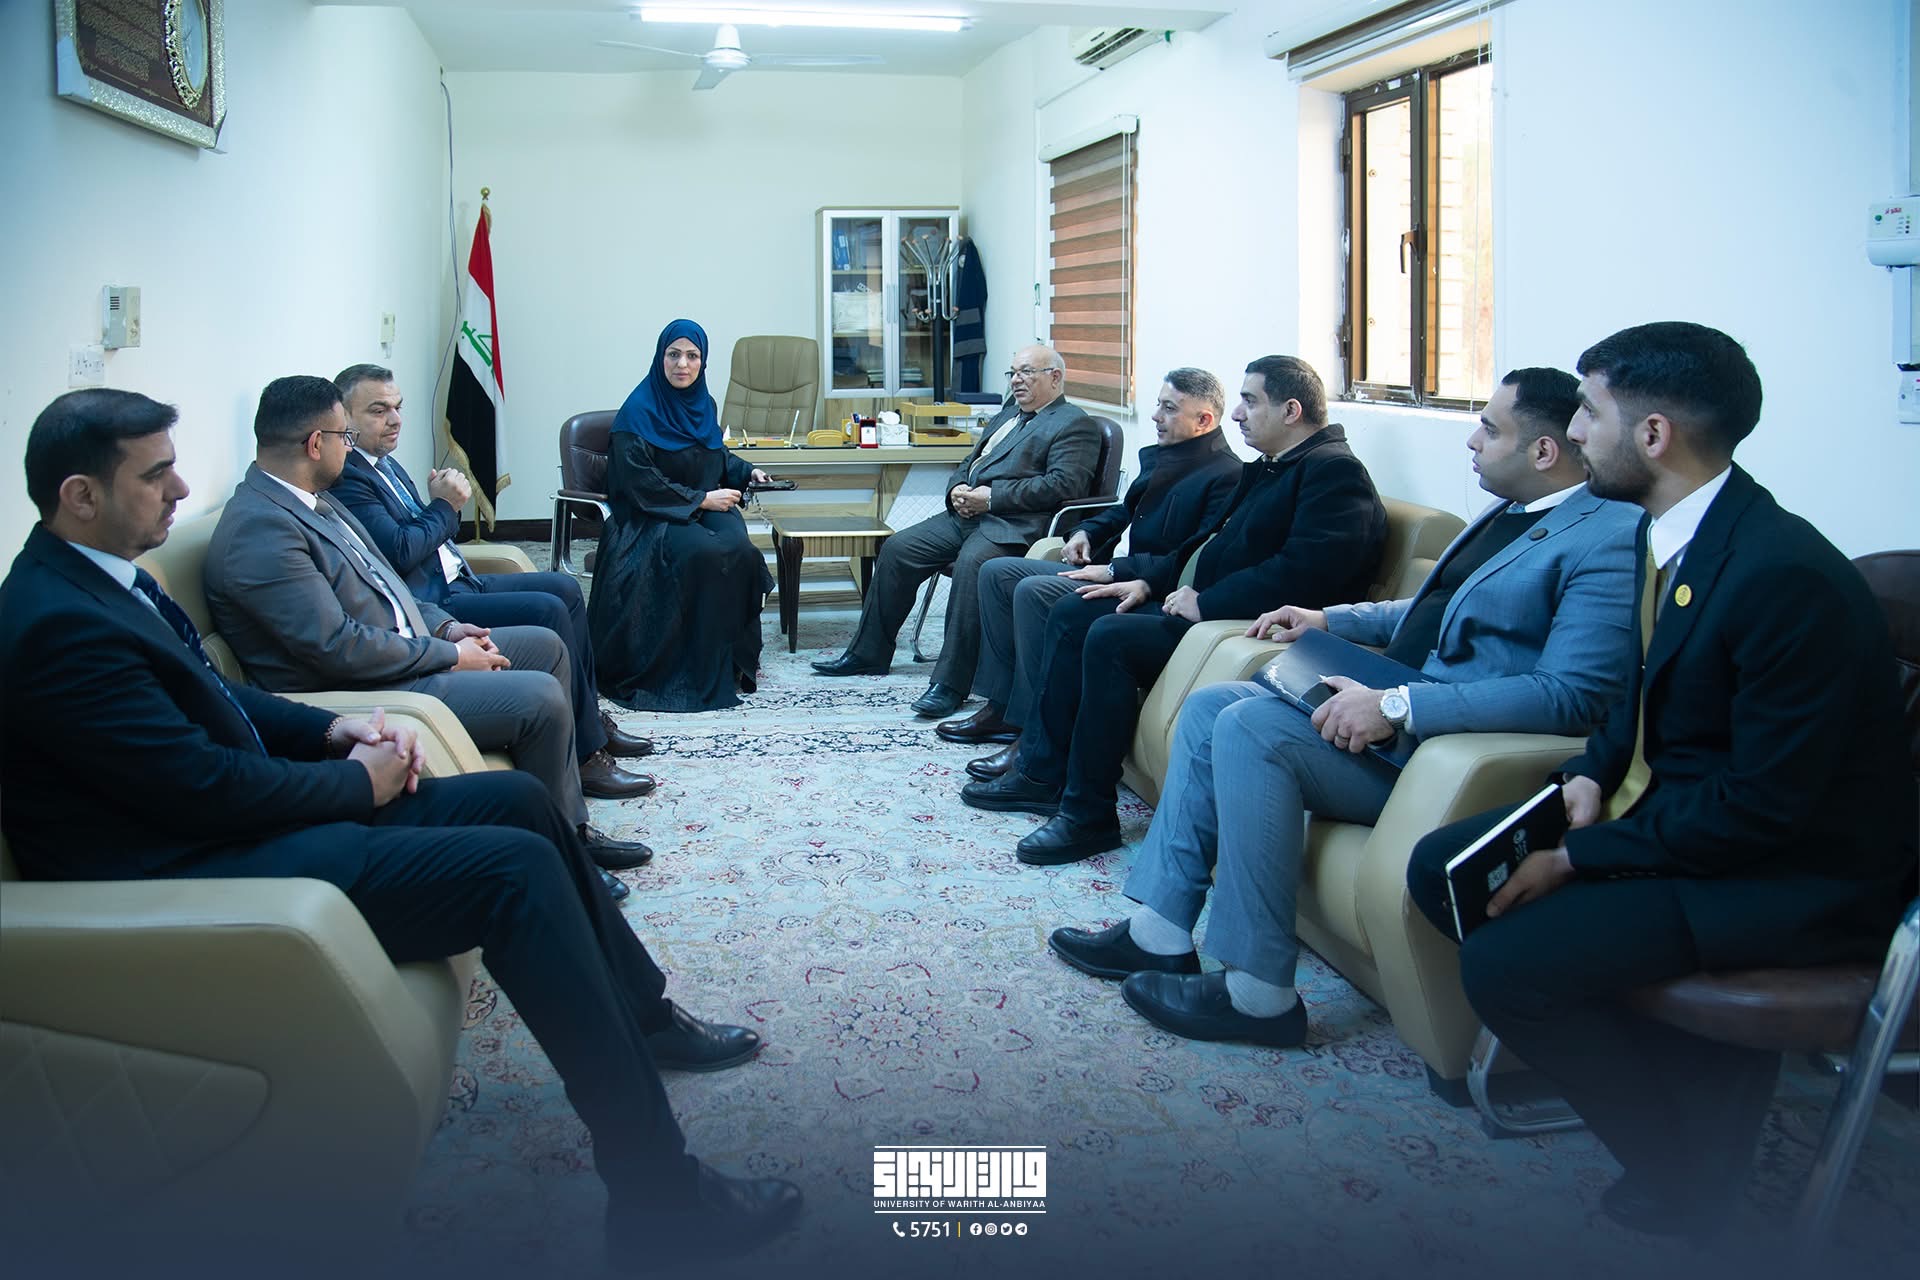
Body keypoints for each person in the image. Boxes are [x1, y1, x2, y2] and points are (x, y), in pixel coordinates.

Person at [0, 388, 802, 1264]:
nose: (182, 488)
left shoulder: (103, 581)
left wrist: (334, 732)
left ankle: (645, 1014)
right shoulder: (59, 626)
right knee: (514, 872)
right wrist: (355, 783)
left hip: (236, 823)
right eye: (156, 474)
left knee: (520, 803)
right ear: (81, 495)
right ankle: (662, 1198)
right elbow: (200, 790)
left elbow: (223, 701)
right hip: (203, 870)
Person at [1403, 324, 1916, 1238]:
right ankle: (1693, 1087)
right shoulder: (1671, 531)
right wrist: (1589, 775)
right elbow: (1636, 695)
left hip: (1790, 871)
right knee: (1443, 869)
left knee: (1506, 964)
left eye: (1589, 414)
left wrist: (1580, 858)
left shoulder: (1781, 576)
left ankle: (1691, 1169)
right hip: (1685, 817)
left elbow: (1763, 807)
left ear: (1653, 435)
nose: (1575, 432)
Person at [1048, 366, 1640, 1048]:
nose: (1471, 441)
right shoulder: (1514, 512)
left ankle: (1259, 995)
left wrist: (1399, 704)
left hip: (1439, 748)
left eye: (1488, 428)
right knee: (1214, 708)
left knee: (1251, 727)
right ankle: (1160, 933)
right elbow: (1430, 612)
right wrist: (1331, 618)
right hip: (1393, 704)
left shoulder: (1607, 537)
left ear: (1542, 451)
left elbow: (1572, 695)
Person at [204, 376, 652, 875]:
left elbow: (388, 586)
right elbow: (337, 648)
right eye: (344, 436)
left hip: (407, 648)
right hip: (371, 685)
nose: (350, 447)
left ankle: (569, 813)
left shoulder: (313, 500)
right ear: (315, 444)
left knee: (545, 646)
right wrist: (450, 656)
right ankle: (568, 852)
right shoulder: (262, 530)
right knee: (540, 697)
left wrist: (446, 629)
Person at [966, 356, 1388, 866]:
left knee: (1110, 636)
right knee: (1076, 615)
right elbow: (1203, 544)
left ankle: (1088, 815)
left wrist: (1205, 601)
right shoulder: (1274, 466)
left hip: (1247, 628)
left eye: (1249, 401)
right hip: (1197, 606)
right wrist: (1146, 579)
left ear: (1291, 410)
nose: (1238, 414)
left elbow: (1304, 575)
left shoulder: (1334, 472)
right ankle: (1042, 773)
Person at [325, 362, 657, 785]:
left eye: (398, 407)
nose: (395, 420)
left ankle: (590, 720)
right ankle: (585, 756)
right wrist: (445, 506)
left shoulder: (383, 463)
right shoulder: (349, 478)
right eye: (378, 410)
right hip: (437, 600)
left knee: (564, 588)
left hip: (461, 579)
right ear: (345, 419)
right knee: (549, 609)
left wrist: (437, 509)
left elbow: (420, 533)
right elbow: (401, 551)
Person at [935, 367, 1240, 759]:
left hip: (1139, 586)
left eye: (1169, 408)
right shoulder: (1166, 456)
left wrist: (1115, 571)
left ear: (1204, 420)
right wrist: (1086, 532)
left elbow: (1187, 556)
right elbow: (1123, 512)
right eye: (1158, 404)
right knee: (996, 571)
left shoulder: (1226, 476)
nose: (1155, 416)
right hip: (1108, 566)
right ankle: (1002, 705)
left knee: (1032, 590)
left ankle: (1029, 727)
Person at [812, 344, 1100, 720]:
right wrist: (957, 490)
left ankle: (950, 684)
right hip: (967, 516)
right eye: (1013, 372)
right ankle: (868, 653)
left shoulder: (1074, 424)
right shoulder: (1009, 412)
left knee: (971, 565)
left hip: (1014, 525)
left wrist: (991, 498)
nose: (1016, 380)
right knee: (898, 547)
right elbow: (971, 459)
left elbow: (1063, 486)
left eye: (1026, 372)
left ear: (1055, 377)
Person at [588, 319, 774, 712]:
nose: (682, 364)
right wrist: (699, 499)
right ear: (661, 358)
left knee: (740, 550)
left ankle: (726, 662)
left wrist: (747, 471)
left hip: (698, 504)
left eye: (692, 356)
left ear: (703, 362)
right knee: (701, 553)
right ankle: (682, 670)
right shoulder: (637, 412)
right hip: (651, 515)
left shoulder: (705, 404)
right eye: (674, 355)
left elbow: (714, 454)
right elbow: (638, 481)